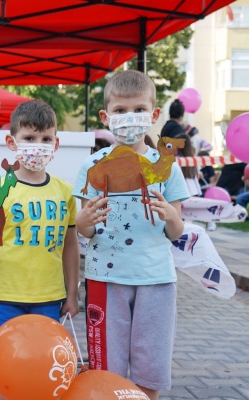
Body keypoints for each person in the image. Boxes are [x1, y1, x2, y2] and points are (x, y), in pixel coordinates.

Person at [73, 70, 189, 400]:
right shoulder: (91, 165)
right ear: (105, 116)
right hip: (105, 281)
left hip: (156, 280)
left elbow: (176, 231)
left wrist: (170, 216)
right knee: (105, 372)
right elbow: (85, 229)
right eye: (120, 111)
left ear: (153, 115)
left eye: (137, 109)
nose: (129, 118)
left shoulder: (166, 166)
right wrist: (83, 220)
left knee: (149, 369)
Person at [0, 99, 80, 400]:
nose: (38, 146)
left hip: (49, 299)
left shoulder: (65, 191)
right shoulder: (0, 191)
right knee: (3, 368)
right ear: (11, 142)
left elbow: (70, 246)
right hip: (6, 297)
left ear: (56, 144)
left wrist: (72, 293)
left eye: (46, 139)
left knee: (43, 372)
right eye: (29, 138)